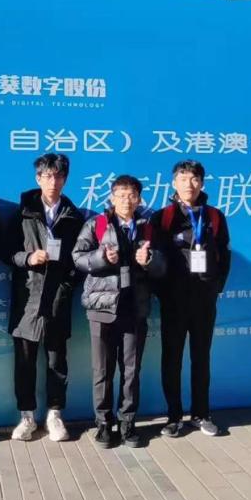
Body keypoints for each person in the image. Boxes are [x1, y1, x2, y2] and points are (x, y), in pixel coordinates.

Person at [73, 175, 165, 448]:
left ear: (139, 199)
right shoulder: (97, 224)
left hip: (135, 307)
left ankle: (128, 422)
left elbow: (164, 267)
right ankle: (103, 424)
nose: (126, 200)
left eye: (132, 195)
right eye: (121, 195)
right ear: (112, 197)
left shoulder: (148, 228)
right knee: (102, 370)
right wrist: (102, 257)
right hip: (102, 308)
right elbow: (77, 257)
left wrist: (150, 259)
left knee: (131, 371)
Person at [4, 153, 85, 442]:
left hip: (57, 299)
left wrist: (66, 286)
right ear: (38, 178)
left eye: (59, 175)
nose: (53, 181)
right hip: (28, 297)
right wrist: (27, 258)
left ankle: (54, 415)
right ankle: (27, 416)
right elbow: (6, 252)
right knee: (24, 362)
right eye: (48, 175)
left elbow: (80, 259)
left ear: (65, 179)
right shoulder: (22, 214)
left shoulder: (74, 217)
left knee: (56, 361)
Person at [152, 159, 231, 437]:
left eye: (195, 178)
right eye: (183, 178)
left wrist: (215, 287)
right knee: (171, 359)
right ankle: (173, 416)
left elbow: (225, 255)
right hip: (173, 302)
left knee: (201, 358)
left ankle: (201, 414)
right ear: (174, 183)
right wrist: (163, 292)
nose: (189, 184)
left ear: (202, 183)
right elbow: (154, 260)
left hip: (204, 301)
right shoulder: (163, 217)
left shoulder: (215, 217)